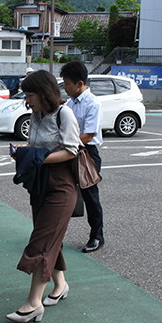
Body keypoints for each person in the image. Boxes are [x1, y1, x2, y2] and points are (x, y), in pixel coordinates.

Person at [7, 70, 81, 323]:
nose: (28, 101)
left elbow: (72, 150)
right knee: (50, 237)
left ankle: (33, 303)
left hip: (61, 186)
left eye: (30, 95)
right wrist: (23, 152)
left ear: (44, 93)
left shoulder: (65, 113)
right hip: (40, 183)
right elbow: (36, 146)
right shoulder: (35, 115)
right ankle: (60, 285)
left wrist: (37, 158)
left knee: (40, 242)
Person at [62, 60, 105, 253]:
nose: (65, 87)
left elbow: (88, 135)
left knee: (90, 196)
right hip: (70, 152)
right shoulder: (70, 103)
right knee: (64, 194)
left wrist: (64, 144)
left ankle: (97, 236)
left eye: (67, 84)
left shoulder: (92, 103)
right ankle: (57, 237)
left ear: (80, 84)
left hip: (87, 154)